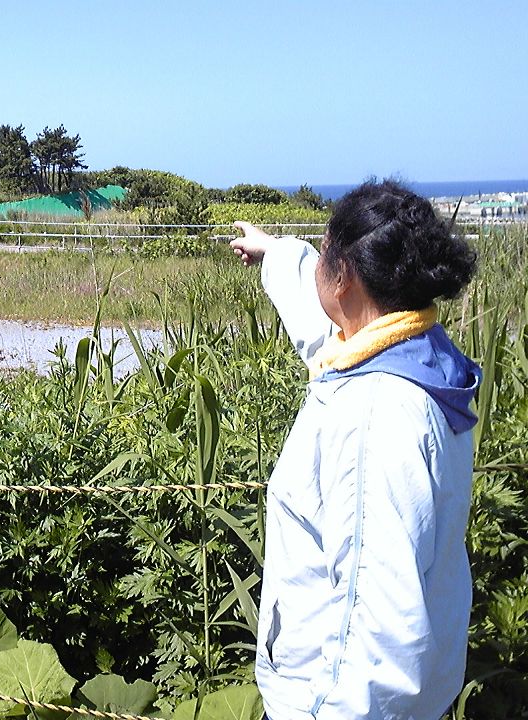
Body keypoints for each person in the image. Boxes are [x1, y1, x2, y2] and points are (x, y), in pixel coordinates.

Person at [230, 179, 480, 719]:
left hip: (332, 703)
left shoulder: (377, 415)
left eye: (323, 251)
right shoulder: (413, 350)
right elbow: (326, 329)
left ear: (345, 276)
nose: (317, 262)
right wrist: (274, 252)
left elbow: (377, 625)